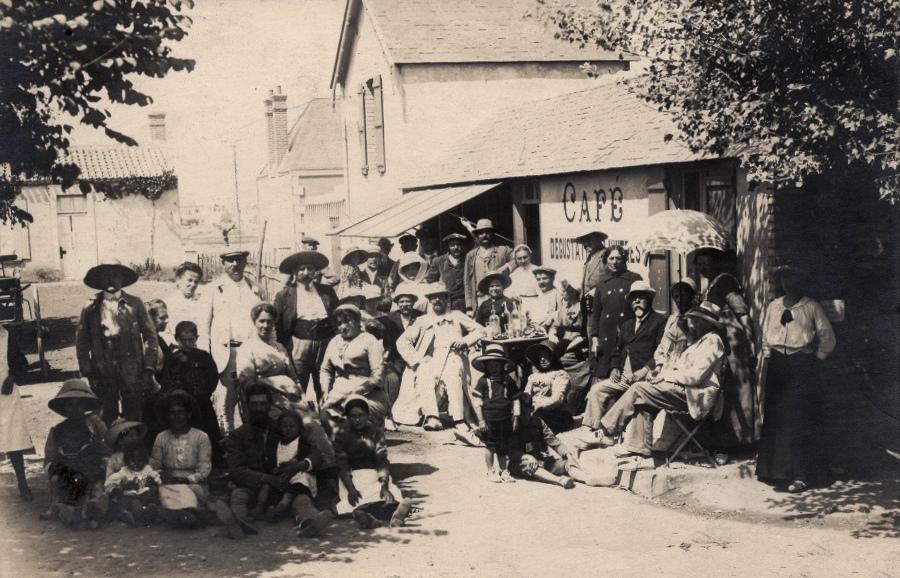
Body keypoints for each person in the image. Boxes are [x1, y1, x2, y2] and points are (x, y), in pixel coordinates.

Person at [594, 303, 728, 471]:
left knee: (639, 389)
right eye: (693, 320)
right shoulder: (698, 342)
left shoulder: (713, 341)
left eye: (696, 321)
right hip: (683, 390)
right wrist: (659, 375)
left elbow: (694, 377)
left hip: (695, 395)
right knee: (644, 399)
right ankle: (642, 454)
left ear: (707, 323)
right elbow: (679, 368)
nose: (691, 324)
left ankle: (608, 430)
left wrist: (665, 377)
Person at [756, 265, 836, 493]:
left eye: (793, 280)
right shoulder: (773, 306)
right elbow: (765, 334)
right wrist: (768, 356)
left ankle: (801, 475)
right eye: (784, 280)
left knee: (799, 418)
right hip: (778, 367)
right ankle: (776, 472)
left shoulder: (811, 306)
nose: (788, 284)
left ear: (801, 282)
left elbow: (826, 336)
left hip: (801, 366)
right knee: (777, 418)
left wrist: (816, 358)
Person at [225, 384, 335, 538]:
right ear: (247, 407)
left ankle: (310, 523)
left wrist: (300, 465)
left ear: (270, 405)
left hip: (284, 485)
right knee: (239, 495)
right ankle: (238, 524)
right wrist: (267, 478)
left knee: (301, 499)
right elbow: (236, 470)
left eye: (263, 404)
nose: (259, 408)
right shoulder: (238, 435)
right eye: (254, 404)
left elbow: (314, 453)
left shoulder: (283, 426)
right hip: (254, 486)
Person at [75, 262, 159, 424]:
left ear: (123, 279)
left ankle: (133, 447)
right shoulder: (91, 306)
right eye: (106, 276)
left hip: (132, 368)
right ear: (99, 280)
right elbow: (82, 342)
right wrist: (88, 372)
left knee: (133, 411)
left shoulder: (135, 304)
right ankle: (108, 447)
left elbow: (151, 337)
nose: (111, 280)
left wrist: (149, 368)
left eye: (115, 275)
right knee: (105, 412)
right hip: (102, 368)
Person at [151, 390, 242, 537]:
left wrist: (188, 479)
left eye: (181, 412)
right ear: (168, 416)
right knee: (165, 498)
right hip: (168, 483)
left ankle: (193, 514)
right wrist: (161, 476)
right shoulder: (161, 437)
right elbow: (155, 465)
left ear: (189, 414)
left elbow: (204, 468)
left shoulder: (201, 436)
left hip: (194, 483)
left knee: (188, 498)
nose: (177, 417)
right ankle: (203, 514)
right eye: (172, 413)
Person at [395, 282, 485, 431]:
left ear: (447, 300)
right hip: (432, 360)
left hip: (453, 355)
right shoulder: (422, 320)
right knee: (424, 372)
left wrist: (464, 341)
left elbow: (480, 330)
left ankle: (459, 419)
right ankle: (433, 417)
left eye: (440, 297)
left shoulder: (456, 316)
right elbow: (402, 341)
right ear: (429, 302)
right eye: (433, 298)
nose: (437, 301)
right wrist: (417, 359)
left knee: (452, 374)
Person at [582, 281, 667, 431]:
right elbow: (616, 350)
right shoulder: (627, 325)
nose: (637, 302)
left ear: (649, 300)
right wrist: (614, 367)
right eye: (634, 299)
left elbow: (663, 352)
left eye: (641, 298)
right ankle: (592, 428)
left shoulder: (659, 321)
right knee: (597, 389)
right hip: (623, 376)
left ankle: (608, 430)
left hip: (644, 377)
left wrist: (646, 369)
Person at [694, 248, 757, 448]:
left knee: (738, 389)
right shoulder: (708, 286)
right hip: (719, 343)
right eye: (700, 263)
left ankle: (743, 440)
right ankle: (728, 440)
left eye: (707, 263)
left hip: (733, 342)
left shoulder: (725, 281)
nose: (703, 267)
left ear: (716, 263)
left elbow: (742, 312)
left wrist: (750, 340)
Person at [333, 396, 412, 528]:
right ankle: (370, 516)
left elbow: (381, 459)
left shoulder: (376, 433)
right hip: (352, 477)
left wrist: (385, 485)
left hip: (374, 474)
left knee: (388, 496)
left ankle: (389, 517)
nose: (357, 419)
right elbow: (342, 464)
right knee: (354, 500)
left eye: (361, 415)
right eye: (353, 416)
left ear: (368, 415)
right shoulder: (342, 435)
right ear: (347, 417)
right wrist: (351, 489)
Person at [41, 379, 109, 528]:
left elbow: (106, 450)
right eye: (70, 405)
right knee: (62, 487)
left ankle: (93, 510)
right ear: (64, 408)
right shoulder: (57, 430)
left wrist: (102, 468)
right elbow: (49, 458)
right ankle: (60, 508)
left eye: (79, 404)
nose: (75, 409)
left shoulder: (95, 426)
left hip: (91, 470)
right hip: (68, 474)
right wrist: (59, 470)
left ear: (85, 406)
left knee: (98, 490)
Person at [273, 250, 338, 404]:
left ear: (315, 271)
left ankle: (327, 419)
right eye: (301, 269)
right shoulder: (284, 295)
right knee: (296, 386)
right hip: (298, 344)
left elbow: (337, 316)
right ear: (294, 271)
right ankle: (298, 422)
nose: (306, 272)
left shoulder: (326, 291)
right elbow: (278, 325)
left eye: (310, 268)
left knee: (326, 384)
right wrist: (284, 348)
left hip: (325, 343)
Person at [209, 250, 262, 431]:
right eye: (230, 260)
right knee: (225, 405)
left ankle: (252, 445)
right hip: (226, 354)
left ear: (245, 262)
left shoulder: (255, 288)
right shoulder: (213, 289)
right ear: (223, 263)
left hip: (250, 352)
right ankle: (228, 445)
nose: (234, 264)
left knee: (252, 401)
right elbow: (203, 325)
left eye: (239, 260)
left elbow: (267, 321)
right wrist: (206, 358)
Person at [160, 321, 223, 463]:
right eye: (183, 340)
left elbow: (213, 377)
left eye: (191, 339)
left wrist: (203, 392)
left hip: (202, 402)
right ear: (176, 339)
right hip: (183, 404)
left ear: (196, 338)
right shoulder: (172, 359)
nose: (187, 343)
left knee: (208, 431)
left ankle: (213, 461)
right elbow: (167, 379)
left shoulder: (204, 357)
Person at [319, 304, 389, 428]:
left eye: (347, 321)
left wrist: (353, 393)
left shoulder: (369, 340)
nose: (343, 327)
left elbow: (378, 376)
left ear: (357, 321)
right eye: (339, 323)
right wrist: (325, 392)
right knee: (324, 417)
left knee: (354, 417)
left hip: (368, 395)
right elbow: (325, 370)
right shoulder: (334, 341)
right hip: (338, 392)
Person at [252, 410, 323, 522]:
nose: (288, 429)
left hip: (297, 475)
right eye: (285, 426)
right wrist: (275, 470)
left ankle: (282, 506)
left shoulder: (301, 441)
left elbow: (307, 455)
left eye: (292, 426)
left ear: (299, 428)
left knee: (299, 482)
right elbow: (272, 461)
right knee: (268, 486)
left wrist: (295, 465)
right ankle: (263, 509)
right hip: (282, 476)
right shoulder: (277, 443)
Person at [587, 245, 643, 385]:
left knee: (623, 374)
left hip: (626, 333)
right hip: (606, 335)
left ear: (624, 259)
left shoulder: (634, 279)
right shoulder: (601, 284)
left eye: (618, 258)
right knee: (604, 376)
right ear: (606, 261)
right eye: (611, 258)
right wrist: (594, 338)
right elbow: (596, 314)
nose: (614, 262)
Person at [471, 344, 519, 483]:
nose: (494, 367)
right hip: (489, 419)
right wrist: (481, 421)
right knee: (490, 445)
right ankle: (490, 471)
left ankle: (504, 470)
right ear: (485, 365)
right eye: (490, 364)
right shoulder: (483, 381)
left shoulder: (507, 380)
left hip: (505, 419)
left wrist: (516, 416)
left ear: (502, 364)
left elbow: (515, 399)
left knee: (503, 446)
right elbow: (477, 402)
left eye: (497, 363)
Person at [508, 393, 578, 489]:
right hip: (519, 462)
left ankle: (587, 479)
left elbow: (554, 441)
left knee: (567, 463)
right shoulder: (512, 425)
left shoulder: (538, 422)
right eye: (519, 413)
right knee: (529, 466)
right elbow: (511, 451)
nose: (522, 416)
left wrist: (567, 454)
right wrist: (526, 456)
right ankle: (559, 481)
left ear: (532, 409)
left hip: (540, 459)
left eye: (525, 412)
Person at [378, 286, 424, 430]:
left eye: (408, 301)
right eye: (401, 301)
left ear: (413, 303)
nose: (405, 304)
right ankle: (388, 416)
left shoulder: (421, 317)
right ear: (397, 304)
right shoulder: (389, 318)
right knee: (392, 379)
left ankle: (420, 415)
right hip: (394, 359)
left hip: (415, 358)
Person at [0, 324, 34, 501]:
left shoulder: (7, 336)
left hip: (6, 392)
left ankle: (23, 484)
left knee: (14, 437)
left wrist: (12, 377)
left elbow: (22, 364)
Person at [103, 419, 155, 526]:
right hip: (124, 491)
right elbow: (109, 479)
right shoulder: (115, 459)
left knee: (151, 494)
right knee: (122, 500)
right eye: (129, 435)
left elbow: (150, 469)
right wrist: (119, 486)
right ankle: (129, 514)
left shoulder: (141, 454)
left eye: (135, 435)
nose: (133, 438)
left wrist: (150, 479)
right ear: (120, 440)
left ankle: (145, 512)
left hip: (142, 488)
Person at [464, 218, 514, 315]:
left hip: (499, 296)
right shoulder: (471, 255)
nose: (484, 235)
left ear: (492, 234)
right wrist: (469, 306)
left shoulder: (502, 250)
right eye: (481, 233)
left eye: (487, 232)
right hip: (479, 298)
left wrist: (506, 267)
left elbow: (518, 257)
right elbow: (467, 282)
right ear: (477, 236)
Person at [522, 341, 573, 433]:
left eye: (545, 356)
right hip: (535, 409)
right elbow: (527, 395)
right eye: (540, 356)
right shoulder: (533, 376)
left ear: (553, 357)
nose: (542, 359)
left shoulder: (560, 374)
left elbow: (557, 399)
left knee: (535, 420)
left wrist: (539, 406)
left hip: (555, 413)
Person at [163, 262, 212, 352]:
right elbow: (164, 333)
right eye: (189, 280)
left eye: (196, 282)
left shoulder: (204, 303)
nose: (193, 285)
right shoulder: (168, 303)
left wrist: (203, 356)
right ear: (178, 280)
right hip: (175, 353)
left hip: (198, 352)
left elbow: (204, 332)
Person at [653, 279, 698, 369]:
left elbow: (698, 348)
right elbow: (663, 346)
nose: (679, 300)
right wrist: (659, 366)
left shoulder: (698, 318)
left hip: (687, 368)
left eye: (683, 295)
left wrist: (686, 331)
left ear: (692, 296)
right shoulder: (672, 319)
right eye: (676, 296)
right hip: (667, 366)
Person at [575, 231, 609, 336]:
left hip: (602, 306)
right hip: (587, 306)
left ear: (598, 239)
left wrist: (597, 290)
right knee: (589, 336)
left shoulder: (606, 255)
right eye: (583, 242)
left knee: (598, 337)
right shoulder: (590, 257)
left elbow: (615, 278)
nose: (585, 245)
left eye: (588, 241)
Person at [425, 232, 468, 312]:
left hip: (465, 301)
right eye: (452, 245)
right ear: (448, 247)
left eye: (458, 245)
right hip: (447, 302)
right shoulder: (439, 261)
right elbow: (429, 280)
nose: (456, 247)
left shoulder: (468, 259)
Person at [528, 266, 565, 334]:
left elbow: (560, 316)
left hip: (552, 332)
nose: (541, 282)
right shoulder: (538, 296)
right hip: (536, 331)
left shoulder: (558, 295)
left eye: (544, 278)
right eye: (538, 279)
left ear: (552, 279)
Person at [506, 244, 540, 309]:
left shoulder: (538, 271)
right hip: (520, 305)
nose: (523, 261)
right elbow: (508, 292)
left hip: (536, 304)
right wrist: (513, 296)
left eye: (525, 257)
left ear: (530, 256)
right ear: (515, 259)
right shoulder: (513, 275)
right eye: (519, 258)